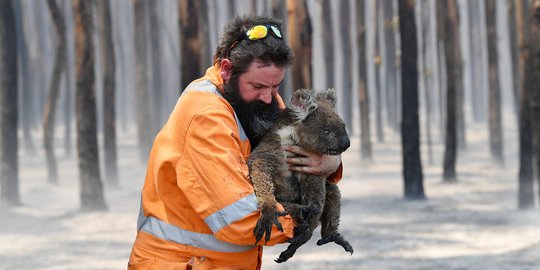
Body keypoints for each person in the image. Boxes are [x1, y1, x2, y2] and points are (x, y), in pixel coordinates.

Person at [128, 15, 343, 270]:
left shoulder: (258, 103)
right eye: (258, 86)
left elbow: (298, 155)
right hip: (180, 264)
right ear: (227, 69)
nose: (268, 97)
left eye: (276, 86)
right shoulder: (205, 116)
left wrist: (332, 162)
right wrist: (306, 215)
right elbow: (240, 218)